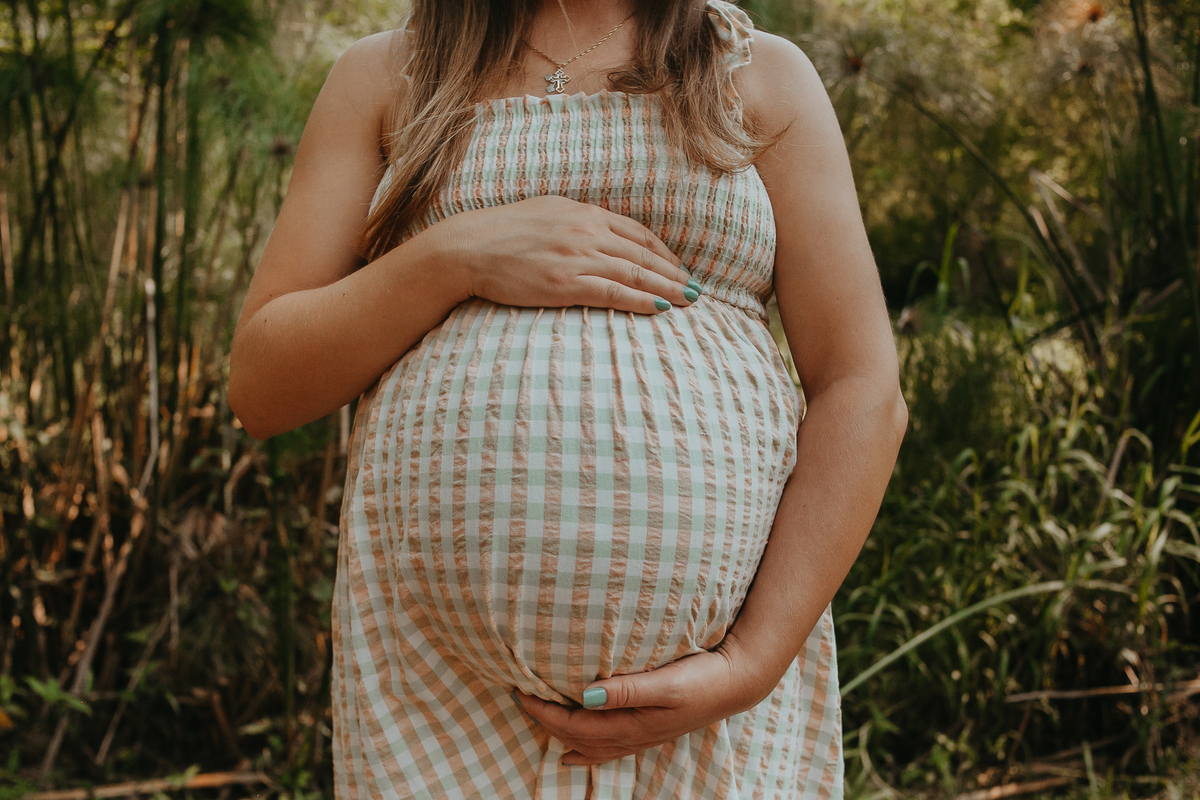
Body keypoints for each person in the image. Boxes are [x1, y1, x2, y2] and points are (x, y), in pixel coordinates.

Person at [228, 0, 907, 796]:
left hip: (709, 707)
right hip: (439, 700)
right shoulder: (386, 77)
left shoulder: (758, 76)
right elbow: (262, 385)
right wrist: (454, 257)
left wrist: (750, 665)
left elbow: (862, 389)